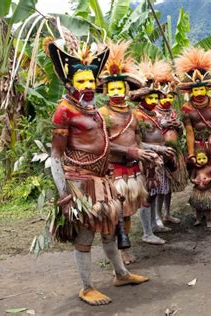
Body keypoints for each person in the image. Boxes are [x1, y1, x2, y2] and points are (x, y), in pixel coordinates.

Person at [46, 37, 148, 306]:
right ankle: (86, 287)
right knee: (86, 234)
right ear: (70, 84)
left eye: (91, 81)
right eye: (82, 82)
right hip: (79, 181)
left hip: (103, 179)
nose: (89, 86)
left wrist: (129, 156)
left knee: (109, 228)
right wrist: (65, 195)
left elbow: (104, 143)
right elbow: (55, 156)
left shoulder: (93, 110)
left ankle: (121, 273)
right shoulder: (64, 111)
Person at [98, 40, 160, 262]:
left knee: (126, 213)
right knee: (114, 213)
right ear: (105, 90)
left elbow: (138, 142)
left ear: (126, 90)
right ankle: (116, 251)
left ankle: (124, 249)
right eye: (112, 88)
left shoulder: (134, 114)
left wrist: (156, 151)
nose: (116, 92)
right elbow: (103, 145)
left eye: (119, 88)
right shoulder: (101, 114)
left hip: (133, 172)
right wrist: (132, 152)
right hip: (113, 170)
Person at [175, 47, 211, 221]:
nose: (199, 92)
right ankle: (199, 206)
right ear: (190, 91)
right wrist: (190, 153)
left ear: (207, 88)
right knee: (199, 174)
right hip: (196, 144)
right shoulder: (187, 109)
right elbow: (189, 131)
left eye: (202, 89)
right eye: (195, 90)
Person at [131, 60, 176, 243]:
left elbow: (157, 129)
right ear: (142, 99)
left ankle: (155, 224)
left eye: (156, 98)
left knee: (156, 192)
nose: (155, 102)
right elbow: (137, 143)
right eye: (152, 98)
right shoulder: (137, 116)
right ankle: (147, 233)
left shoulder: (153, 114)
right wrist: (157, 148)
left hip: (158, 159)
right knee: (148, 195)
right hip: (146, 160)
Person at [154, 60, 188, 225]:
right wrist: (163, 125)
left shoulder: (173, 112)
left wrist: (178, 125)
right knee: (159, 187)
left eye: (169, 96)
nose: (167, 100)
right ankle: (157, 217)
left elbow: (180, 132)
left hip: (174, 153)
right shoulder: (153, 113)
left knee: (169, 187)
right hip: (159, 153)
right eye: (164, 96)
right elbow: (149, 131)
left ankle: (167, 214)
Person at [189, 150, 211, 228]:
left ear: (208, 158)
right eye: (199, 159)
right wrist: (194, 181)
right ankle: (198, 220)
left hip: (207, 191)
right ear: (196, 159)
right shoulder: (195, 169)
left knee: (208, 207)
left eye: (203, 158)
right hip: (197, 191)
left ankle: (208, 220)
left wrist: (209, 179)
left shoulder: (210, 169)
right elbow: (191, 178)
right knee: (197, 207)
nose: (201, 161)